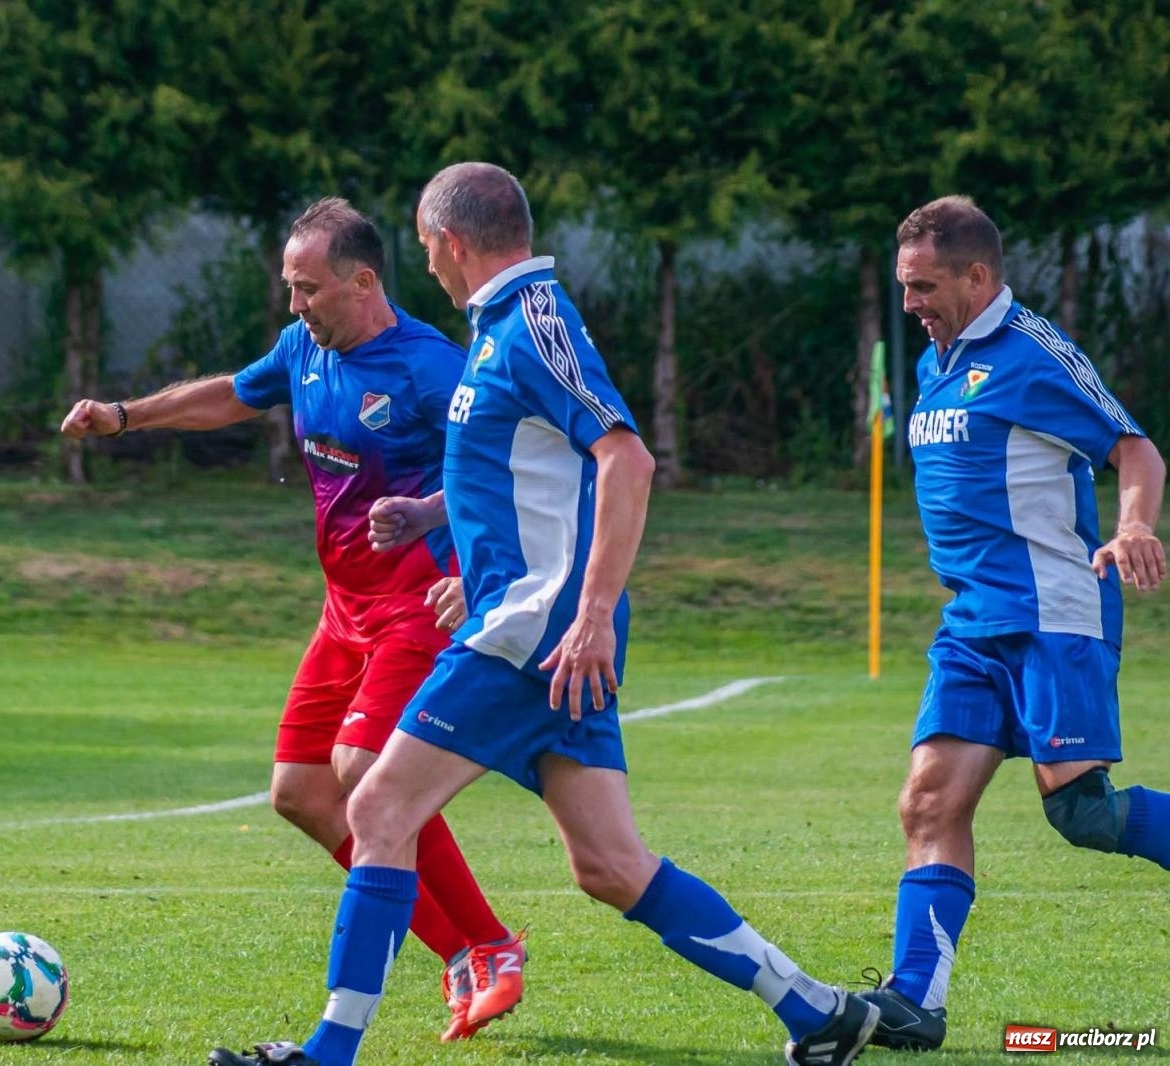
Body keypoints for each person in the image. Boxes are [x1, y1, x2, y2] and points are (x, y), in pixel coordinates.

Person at [209, 162, 878, 1066]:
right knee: (610, 866)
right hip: (530, 621)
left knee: (377, 807)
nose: (429, 269)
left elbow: (626, 461)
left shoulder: (533, 322)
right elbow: (533, 477)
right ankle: (818, 1010)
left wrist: (591, 609)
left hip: (537, 633)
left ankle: (330, 1051)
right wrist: (460, 555)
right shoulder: (498, 332)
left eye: (425, 249)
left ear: (449, 242)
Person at [60, 197, 526, 1042]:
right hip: (343, 611)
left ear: (363, 281)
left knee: (359, 766)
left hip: (418, 604)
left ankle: (490, 945)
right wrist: (125, 417)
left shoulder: (432, 368)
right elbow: (229, 397)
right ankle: (467, 950)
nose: (294, 305)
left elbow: (501, 471)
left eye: (306, 288)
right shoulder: (303, 350)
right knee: (301, 793)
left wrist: (457, 545)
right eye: (288, 286)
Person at [853, 196, 1169, 1051]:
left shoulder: (1034, 354)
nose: (911, 303)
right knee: (927, 802)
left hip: (1051, 616)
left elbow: (1134, 447)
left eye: (923, 287)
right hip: (971, 626)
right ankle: (915, 1002)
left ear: (978, 275)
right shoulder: (937, 360)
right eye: (904, 287)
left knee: (1084, 817)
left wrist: (1133, 524)